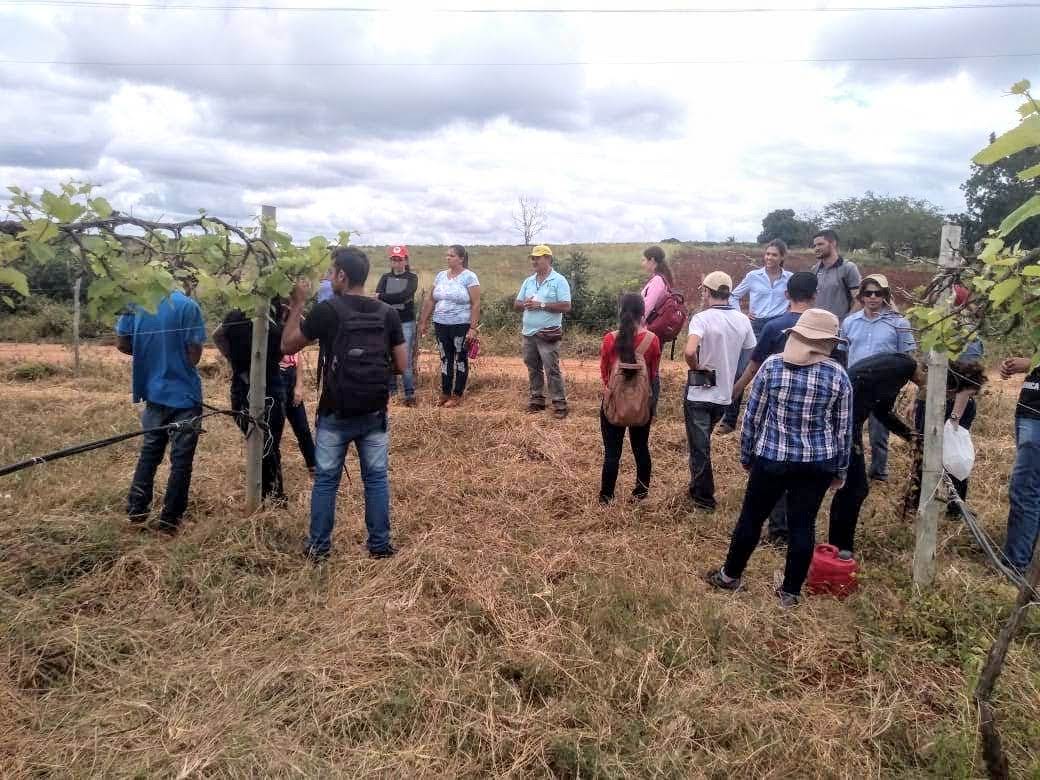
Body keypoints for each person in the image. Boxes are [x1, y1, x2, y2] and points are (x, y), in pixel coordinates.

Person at [705, 309, 852, 608]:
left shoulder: (772, 366)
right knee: (803, 525)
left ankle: (730, 576)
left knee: (751, 518)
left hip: (771, 458)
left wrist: (747, 455)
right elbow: (843, 429)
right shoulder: (838, 375)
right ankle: (790, 593)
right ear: (828, 342)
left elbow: (752, 417)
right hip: (817, 464)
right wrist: (840, 469)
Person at [281, 246, 408, 561]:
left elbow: (288, 345)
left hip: (335, 411)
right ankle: (380, 546)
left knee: (326, 480)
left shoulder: (328, 310)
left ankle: (319, 548)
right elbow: (402, 365)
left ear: (341, 275)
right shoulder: (387, 313)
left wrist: (297, 304)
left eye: (330, 271)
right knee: (376, 479)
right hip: (374, 411)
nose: (328, 277)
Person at [728, 270, 821, 545]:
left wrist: (736, 391)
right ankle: (798, 528)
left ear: (786, 294)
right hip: (813, 408)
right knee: (805, 469)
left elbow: (753, 366)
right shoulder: (827, 330)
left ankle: (778, 528)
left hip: (776, 406)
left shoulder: (774, 327)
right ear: (815, 295)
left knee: (778, 461)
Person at [115, 285, 206, 534]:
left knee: (149, 453)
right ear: (186, 281)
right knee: (181, 461)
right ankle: (170, 521)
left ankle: (137, 511)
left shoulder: (137, 302)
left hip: (152, 392)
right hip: (184, 396)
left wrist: (149, 353)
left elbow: (122, 343)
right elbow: (194, 355)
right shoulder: (188, 306)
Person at [828, 352, 923, 556]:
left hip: (844, 422)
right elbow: (877, 403)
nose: (924, 388)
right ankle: (841, 547)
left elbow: (881, 411)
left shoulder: (898, 367)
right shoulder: (903, 367)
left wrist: (911, 435)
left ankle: (838, 544)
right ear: (926, 370)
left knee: (851, 487)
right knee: (855, 488)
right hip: (844, 424)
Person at [683, 271, 756, 511]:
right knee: (702, 444)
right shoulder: (743, 320)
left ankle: (704, 499)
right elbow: (751, 357)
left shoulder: (701, 319)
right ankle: (696, 488)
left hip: (699, 392)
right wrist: (737, 386)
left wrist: (696, 367)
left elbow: (689, 351)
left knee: (699, 447)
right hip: (724, 395)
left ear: (707, 292)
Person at [840, 274, 916, 482]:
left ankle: (878, 472)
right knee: (850, 429)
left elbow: (907, 357)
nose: (873, 297)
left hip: (884, 386)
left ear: (885, 295)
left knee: (879, 430)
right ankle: (849, 471)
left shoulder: (898, 323)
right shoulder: (849, 322)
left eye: (878, 293)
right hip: (855, 384)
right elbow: (842, 352)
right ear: (861, 296)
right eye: (868, 293)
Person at [213, 300, 288, 504]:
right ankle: (273, 496)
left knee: (262, 441)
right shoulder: (274, 321)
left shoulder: (235, 314)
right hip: (269, 386)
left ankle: (269, 494)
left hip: (241, 386)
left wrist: (232, 360)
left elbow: (217, 335)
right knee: (269, 443)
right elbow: (290, 345)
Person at [718, 239, 793, 434]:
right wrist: (742, 314)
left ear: (782, 257)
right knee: (742, 370)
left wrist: (788, 312)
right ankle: (729, 420)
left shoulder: (789, 279)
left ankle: (769, 420)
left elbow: (795, 299)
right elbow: (733, 296)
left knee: (776, 372)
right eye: (767, 254)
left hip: (779, 327)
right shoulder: (753, 276)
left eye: (774, 255)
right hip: (756, 327)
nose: (769, 258)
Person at [598, 293, 662, 502]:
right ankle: (641, 493)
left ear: (620, 311)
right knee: (641, 448)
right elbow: (653, 374)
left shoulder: (610, 339)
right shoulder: (652, 340)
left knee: (612, 453)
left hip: (614, 403)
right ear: (643, 313)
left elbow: (605, 373)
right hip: (641, 404)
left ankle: (606, 496)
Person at [912, 360, 986, 517]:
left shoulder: (951, 377)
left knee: (951, 456)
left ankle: (952, 506)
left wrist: (954, 418)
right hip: (935, 406)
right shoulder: (937, 371)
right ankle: (919, 502)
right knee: (929, 452)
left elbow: (966, 390)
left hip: (948, 410)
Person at [514, 244, 572, 418]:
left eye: (537, 258)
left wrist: (541, 305)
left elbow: (566, 306)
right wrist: (525, 304)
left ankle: (560, 404)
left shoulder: (559, 280)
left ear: (548, 258)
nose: (534, 261)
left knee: (551, 369)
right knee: (533, 368)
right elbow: (516, 304)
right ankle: (537, 400)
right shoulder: (528, 281)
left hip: (548, 333)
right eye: (532, 258)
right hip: (528, 333)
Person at [419, 245, 480, 407]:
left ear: (461, 258)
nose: (448, 258)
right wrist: (423, 321)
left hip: (461, 324)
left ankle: (457, 394)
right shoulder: (440, 276)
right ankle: (445, 392)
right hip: (441, 323)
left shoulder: (469, 277)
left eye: (452, 256)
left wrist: (473, 328)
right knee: (445, 358)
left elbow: (476, 303)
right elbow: (431, 300)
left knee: (460, 358)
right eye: (447, 255)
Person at [999, 355, 1040, 574]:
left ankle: (1015, 564)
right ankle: (1025, 559)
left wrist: (1032, 363)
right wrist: (1017, 366)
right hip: (1028, 409)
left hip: (1036, 417)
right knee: (1031, 487)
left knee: (1025, 489)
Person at [376, 244, 419, 407]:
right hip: (387, 321)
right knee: (388, 356)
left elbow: (404, 296)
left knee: (405, 358)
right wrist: (385, 296)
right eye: (393, 259)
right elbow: (380, 295)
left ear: (406, 260)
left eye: (399, 259)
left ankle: (409, 394)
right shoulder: (385, 277)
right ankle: (392, 392)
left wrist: (383, 296)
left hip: (406, 322)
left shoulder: (412, 278)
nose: (396, 263)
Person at [279, 342, 317, 478]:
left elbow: (298, 356)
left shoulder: (291, 333)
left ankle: (313, 466)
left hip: (292, 377)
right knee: (275, 432)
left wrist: (299, 386)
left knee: (303, 428)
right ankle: (273, 476)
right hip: (277, 378)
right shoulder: (270, 331)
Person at [811, 229, 861, 322]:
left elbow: (859, 301)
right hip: (817, 324)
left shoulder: (848, 268)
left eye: (820, 244)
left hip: (838, 325)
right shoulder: (815, 269)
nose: (816, 248)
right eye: (814, 245)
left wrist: (847, 322)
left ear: (833, 243)